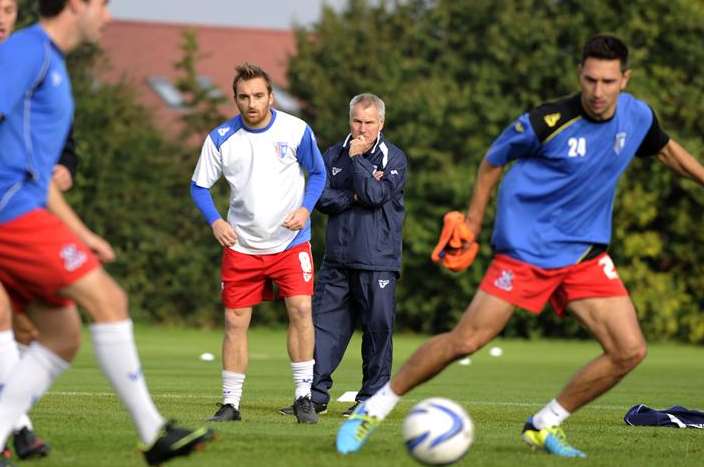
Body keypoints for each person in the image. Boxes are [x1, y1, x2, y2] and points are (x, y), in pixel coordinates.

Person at [336, 34, 704, 458]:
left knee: (629, 350)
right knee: (466, 341)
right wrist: (473, 221)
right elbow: (493, 159)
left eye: (607, 81)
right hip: (526, 249)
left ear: (625, 79)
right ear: (580, 76)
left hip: (584, 253)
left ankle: (545, 425)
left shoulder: (637, 116)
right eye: (590, 80)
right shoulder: (549, 120)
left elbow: (667, 151)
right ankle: (373, 409)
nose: (598, 91)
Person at [0, 1, 215, 466]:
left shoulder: (50, 62)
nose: (108, 16)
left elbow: (37, 172)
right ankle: (154, 432)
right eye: (102, 4)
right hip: (11, 217)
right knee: (110, 301)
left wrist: (80, 231)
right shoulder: (28, 51)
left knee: (61, 336)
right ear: (75, 4)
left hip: (25, 211)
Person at [190, 63, 326, 424]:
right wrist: (215, 220)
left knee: (300, 310)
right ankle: (231, 404)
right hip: (242, 246)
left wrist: (304, 208)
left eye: (258, 96)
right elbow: (199, 186)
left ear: (271, 96)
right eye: (244, 97)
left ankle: (303, 398)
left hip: (291, 242)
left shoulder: (296, 130)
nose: (251, 103)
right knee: (235, 321)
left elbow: (318, 173)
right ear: (235, 99)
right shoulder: (220, 138)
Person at [280, 93, 407, 418]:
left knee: (378, 331)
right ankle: (314, 396)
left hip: (378, 260)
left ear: (381, 123)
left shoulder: (393, 158)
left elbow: (376, 194)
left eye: (369, 122)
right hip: (337, 259)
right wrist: (354, 192)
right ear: (349, 119)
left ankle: (371, 400)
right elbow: (320, 200)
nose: (362, 128)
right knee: (323, 328)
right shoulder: (333, 154)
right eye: (357, 121)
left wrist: (359, 162)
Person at [0, 0, 78, 461]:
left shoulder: (37, 60)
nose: (1, 16)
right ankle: (22, 428)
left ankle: (20, 427)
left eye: (8, 8)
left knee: (21, 325)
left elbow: (65, 140)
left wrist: (65, 166)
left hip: (21, 213)